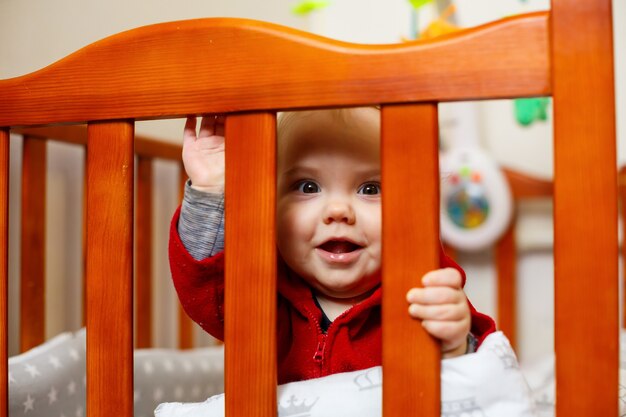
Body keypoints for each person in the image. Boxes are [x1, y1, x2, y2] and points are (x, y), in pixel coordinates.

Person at [168, 107, 495, 385]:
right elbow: (205, 285)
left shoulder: (422, 285)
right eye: (307, 186)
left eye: (370, 189)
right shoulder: (260, 293)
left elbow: (481, 383)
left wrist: (455, 344)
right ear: (269, 202)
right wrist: (212, 189)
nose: (338, 211)